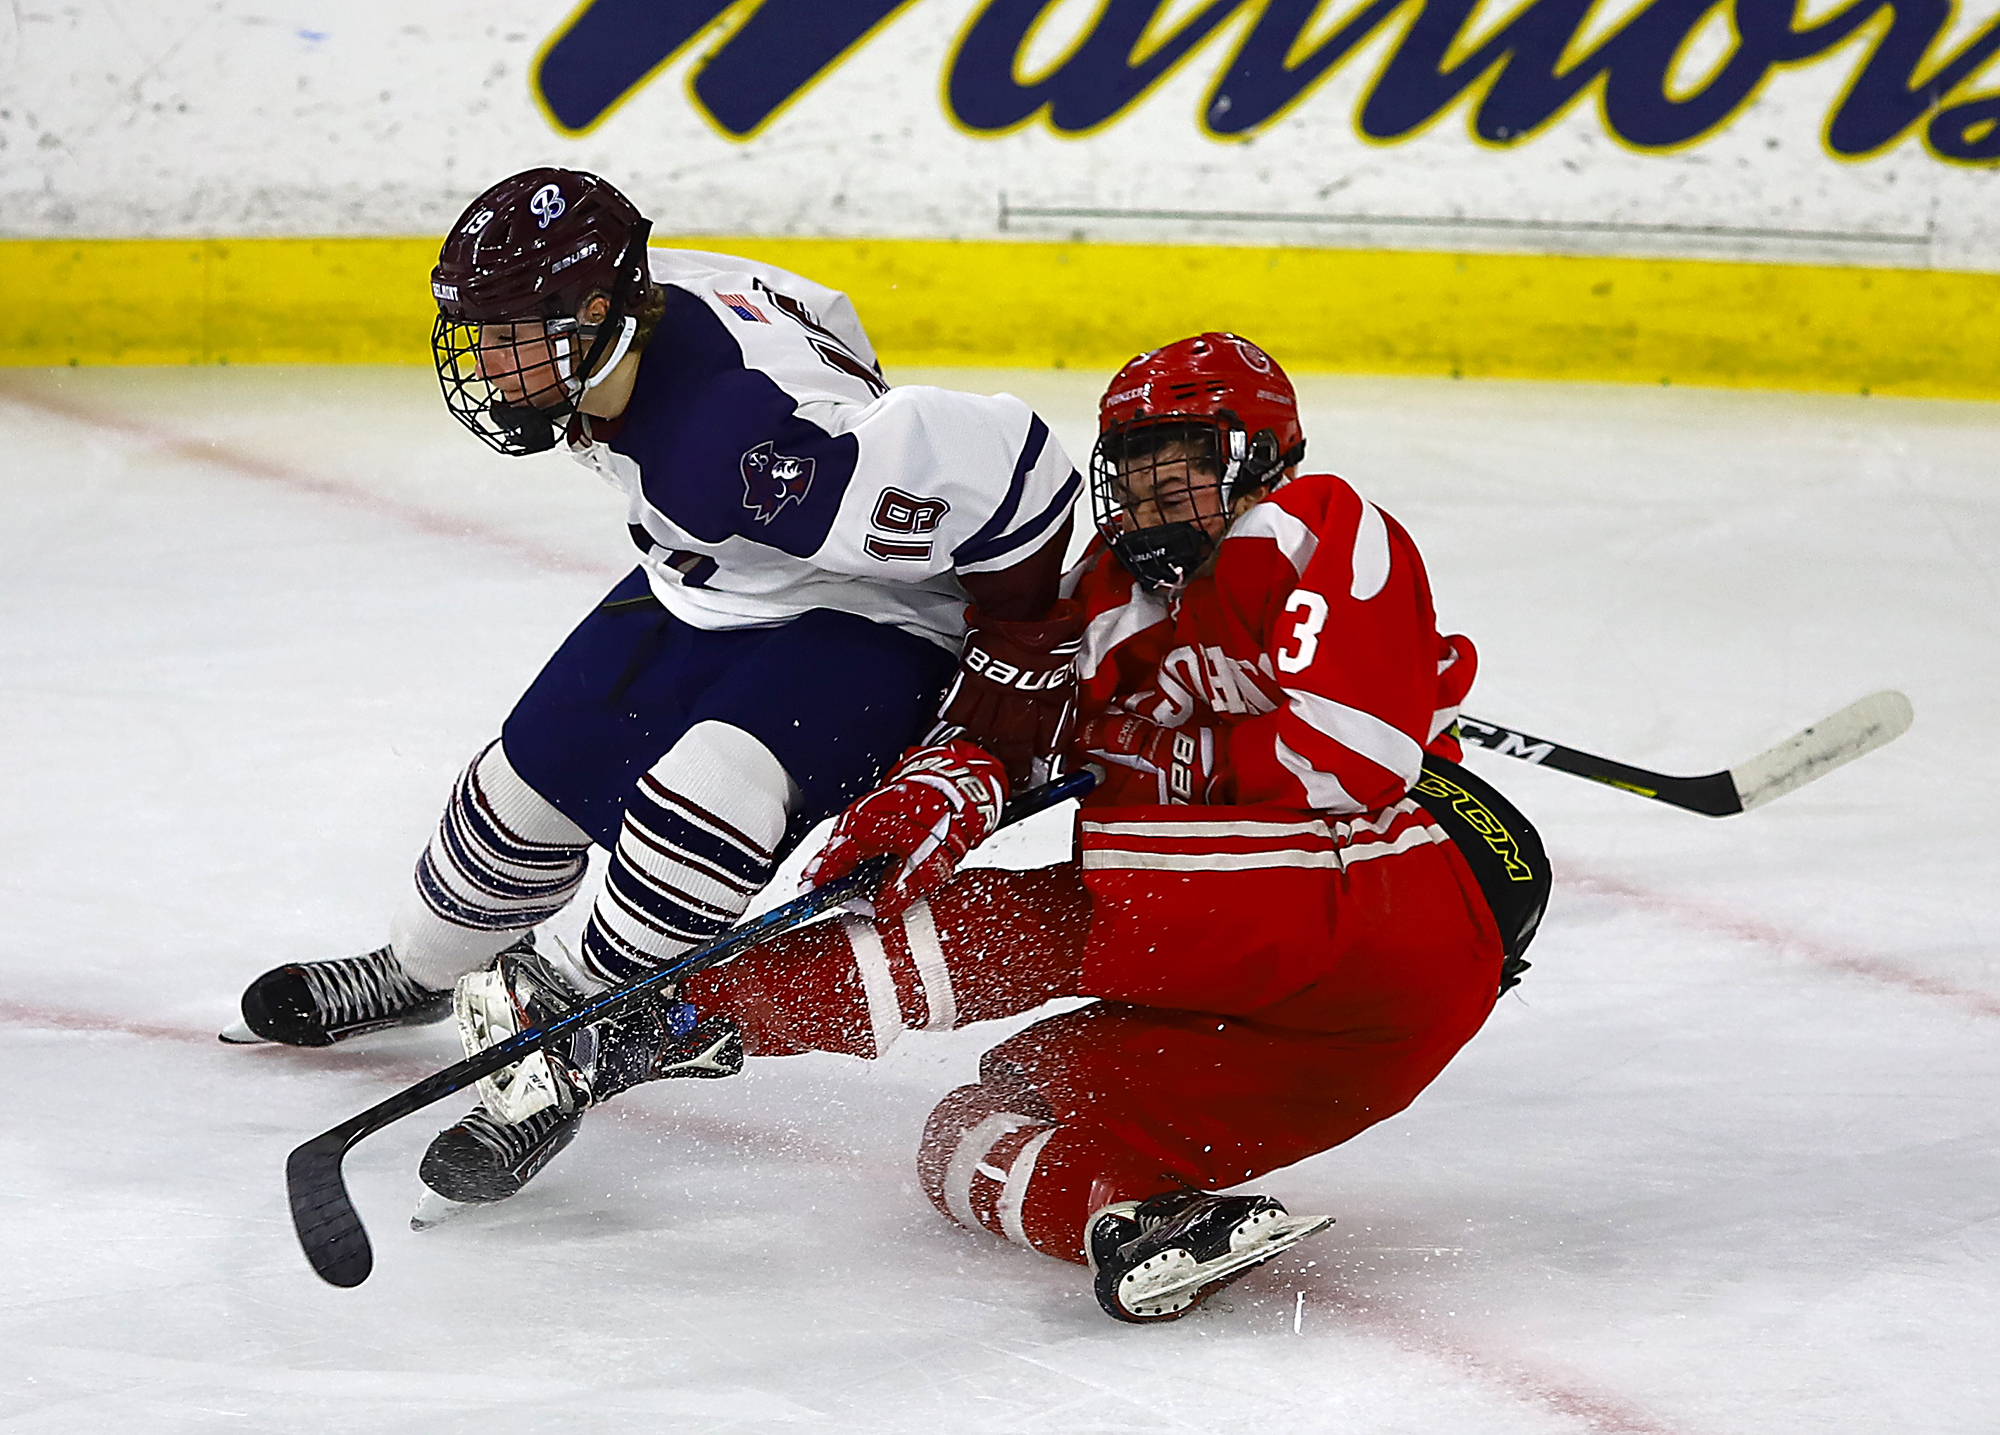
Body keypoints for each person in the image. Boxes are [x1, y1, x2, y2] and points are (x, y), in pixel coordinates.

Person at [224, 168, 1087, 1204]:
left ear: (594, 315)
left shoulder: (746, 447)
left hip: (874, 616)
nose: (490, 366)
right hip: (711, 583)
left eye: (511, 336)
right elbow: (816, 313)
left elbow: (1017, 469)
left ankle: (574, 1026)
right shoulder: (636, 317)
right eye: (482, 334)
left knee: (706, 796)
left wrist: (1018, 663)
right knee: (514, 796)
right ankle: (423, 968)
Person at [670, 332, 1549, 1323]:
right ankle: (1130, 1217)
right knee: (986, 1114)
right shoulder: (1101, 597)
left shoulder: (1312, 524)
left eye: (1178, 465)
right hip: (1346, 1026)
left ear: (1255, 456)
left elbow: (1347, 761)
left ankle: (699, 1009)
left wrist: (1154, 750)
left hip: (1383, 899)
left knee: (1067, 910)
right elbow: (1011, 729)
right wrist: (947, 784)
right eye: (1129, 470)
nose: (1147, 493)